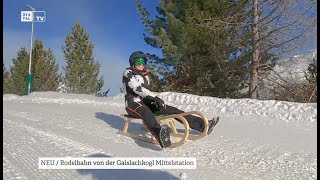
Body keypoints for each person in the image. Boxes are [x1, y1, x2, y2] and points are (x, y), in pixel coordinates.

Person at [122, 51, 219, 148]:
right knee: (145, 111)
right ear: (132, 63)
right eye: (138, 62)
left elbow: (147, 91)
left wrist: (155, 100)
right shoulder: (128, 73)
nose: (141, 64)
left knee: (171, 110)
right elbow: (136, 88)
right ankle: (159, 134)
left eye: (142, 61)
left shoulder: (145, 76)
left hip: (146, 102)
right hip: (133, 103)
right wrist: (154, 97)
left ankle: (202, 125)